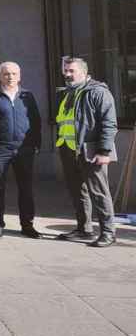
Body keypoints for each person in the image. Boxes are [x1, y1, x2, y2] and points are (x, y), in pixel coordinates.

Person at [55, 57, 118, 247]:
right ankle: (84, 229)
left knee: (99, 192)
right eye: (65, 70)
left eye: (71, 71)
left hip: (91, 150)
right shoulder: (67, 93)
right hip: (68, 149)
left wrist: (104, 151)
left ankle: (108, 232)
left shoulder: (98, 92)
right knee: (78, 192)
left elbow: (109, 124)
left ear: (83, 72)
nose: (67, 74)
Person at [0, 62, 42, 239]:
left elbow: (36, 121)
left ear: (20, 75)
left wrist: (36, 144)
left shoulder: (27, 96)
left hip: (24, 148)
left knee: (26, 188)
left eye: (14, 74)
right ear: (0, 76)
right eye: (6, 74)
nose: (10, 77)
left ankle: (27, 225)